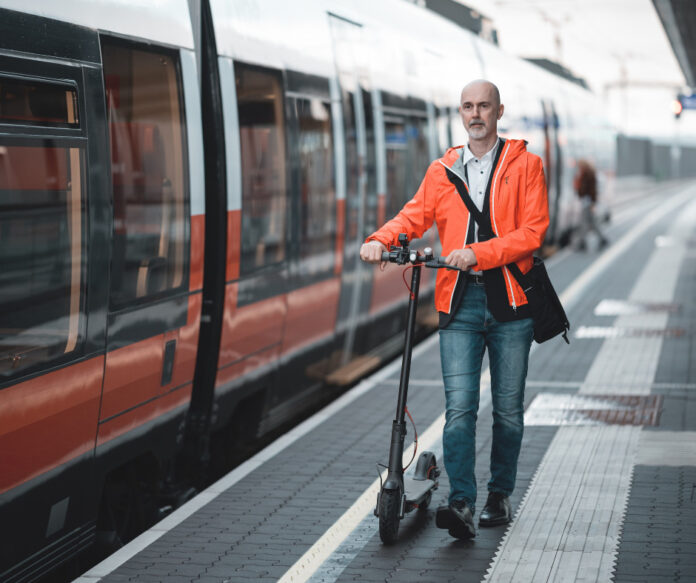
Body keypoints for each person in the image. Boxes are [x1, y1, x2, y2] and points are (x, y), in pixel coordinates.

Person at [360, 80, 549, 540]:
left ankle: (500, 494)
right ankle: (461, 502)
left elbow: (533, 232)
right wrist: (380, 239)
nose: (476, 113)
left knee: (507, 411)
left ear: (500, 111)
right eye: (468, 106)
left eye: (484, 105)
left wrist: (478, 254)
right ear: (460, 114)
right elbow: (414, 215)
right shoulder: (442, 170)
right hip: (459, 302)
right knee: (460, 409)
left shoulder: (527, 165)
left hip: (511, 303)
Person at [573, 159, 608, 251]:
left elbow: (592, 190)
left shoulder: (588, 175)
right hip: (586, 202)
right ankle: (602, 239)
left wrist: (593, 203)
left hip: (588, 202)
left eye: (580, 166)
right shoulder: (586, 174)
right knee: (592, 223)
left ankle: (582, 243)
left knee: (584, 223)